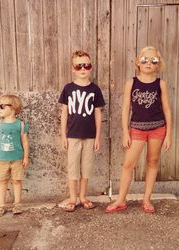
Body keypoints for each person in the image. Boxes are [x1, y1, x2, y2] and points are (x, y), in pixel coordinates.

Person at [105, 46, 172, 214]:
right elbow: (126, 108)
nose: (149, 63)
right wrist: (126, 132)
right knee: (128, 164)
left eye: (153, 60)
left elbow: (167, 110)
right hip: (137, 129)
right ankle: (121, 199)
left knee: (152, 162)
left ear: (158, 64)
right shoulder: (132, 83)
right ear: (138, 63)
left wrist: (169, 134)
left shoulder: (160, 84)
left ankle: (147, 199)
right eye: (145, 60)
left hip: (158, 128)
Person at [59, 50, 105, 212]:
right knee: (73, 168)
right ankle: (73, 198)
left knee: (86, 167)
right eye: (79, 66)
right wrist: (63, 135)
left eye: (86, 65)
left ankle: (83, 196)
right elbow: (64, 112)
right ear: (73, 68)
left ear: (91, 67)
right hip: (72, 135)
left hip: (90, 136)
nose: (83, 69)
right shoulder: (68, 88)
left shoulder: (95, 90)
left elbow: (98, 113)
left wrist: (98, 137)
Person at [0, 94, 29, 217]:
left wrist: (26, 157)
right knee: (2, 182)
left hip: (17, 159)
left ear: (13, 108)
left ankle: (17, 205)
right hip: (2, 159)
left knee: (17, 181)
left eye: (1, 106)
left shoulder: (20, 125)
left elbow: (25, 141)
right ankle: (1, 206)